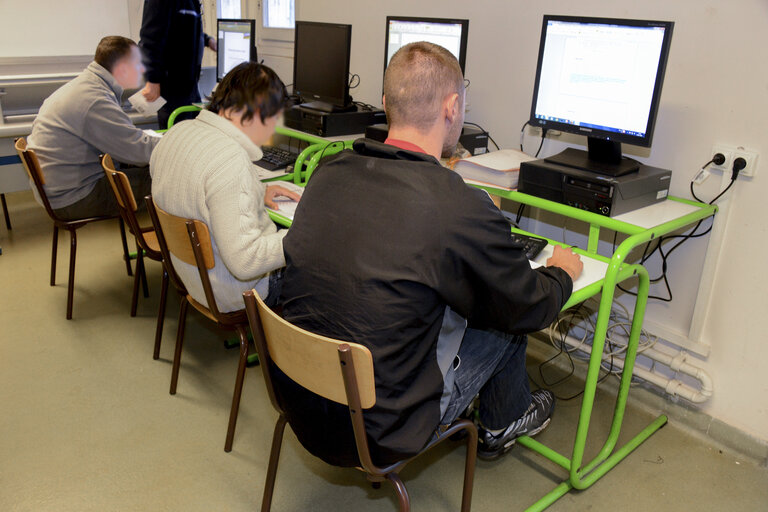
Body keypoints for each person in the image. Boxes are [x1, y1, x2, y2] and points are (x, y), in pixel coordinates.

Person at [277, 41, 584, 466]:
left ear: (385, 104)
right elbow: (528, 306)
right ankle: (502, 424)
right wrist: (560, 274)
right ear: (453, 107)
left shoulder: (327, 174)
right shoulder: (457, 207)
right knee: (504, 320)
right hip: (383, 431)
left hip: (298, 402)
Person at [150, 62, 300, 313]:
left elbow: (197, 193)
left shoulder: (178, 132)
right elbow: (246, 262)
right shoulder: (230, 160)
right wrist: (303, 237)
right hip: (236, 292)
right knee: (326, 261)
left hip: (192, 278)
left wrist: (256, 193)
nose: (273, 128)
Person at [28, 36, 158, 220]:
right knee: (166, 179)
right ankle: (170, 242)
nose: (143, 69)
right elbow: (139, 152)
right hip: (74, 198)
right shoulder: (94, 98)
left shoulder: (86, 85)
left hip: (57, 192)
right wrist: (177, 142)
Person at [139, 0, 217, 129]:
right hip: (172, 88)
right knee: (177, 141)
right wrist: (152, 79)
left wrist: (208, 40)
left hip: (190, 86)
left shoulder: (191, 2)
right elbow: (150, 38)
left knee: (195, 135)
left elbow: (183, 28)